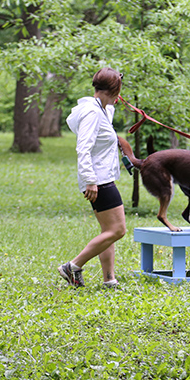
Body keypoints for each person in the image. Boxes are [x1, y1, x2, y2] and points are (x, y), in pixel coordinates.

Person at [58, 67, 127, 288]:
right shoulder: (91, 112)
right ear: (114, 89)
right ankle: (72, 266)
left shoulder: (101, 108)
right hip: (98, 179)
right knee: (118, 230)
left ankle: (109, 279)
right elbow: (83, 148)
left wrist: (112, 102)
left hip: (103, 177)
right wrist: (90, 180)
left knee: (108, 232)